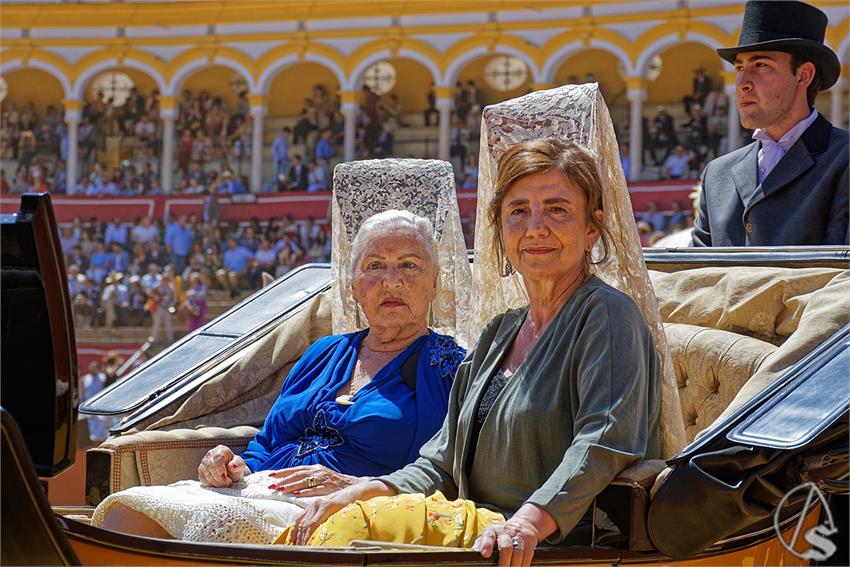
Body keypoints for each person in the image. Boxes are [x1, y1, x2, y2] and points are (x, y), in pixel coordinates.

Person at [283, 139, 663, 563]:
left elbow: (605, 441)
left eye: (557, 209)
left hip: (547, 542)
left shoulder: (607, 315)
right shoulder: (501, 331)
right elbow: (441, 460)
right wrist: (364, 490)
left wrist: (528, 522)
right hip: (475, 525)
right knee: (329, 518)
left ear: (592, 228)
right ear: (500, 229)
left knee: (348, 529)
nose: (535, 227)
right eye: (518, 211)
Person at [91, 210, 467, 544]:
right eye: (374, 266)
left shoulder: (447, 367)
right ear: (353, 287)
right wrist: (230, 464)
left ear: (434, 283)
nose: (391, 281)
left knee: (216, 524)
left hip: (345, 507)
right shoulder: (324, 353)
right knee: (126, 514)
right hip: (260, 490)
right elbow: (265, 444)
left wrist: (356, 488)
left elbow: (441, 470)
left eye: (408, 266)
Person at [692, 0, 849, 246]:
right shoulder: (717, 174)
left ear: (803, 75)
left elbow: (840, 276)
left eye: (761, 65)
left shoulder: (843, 159)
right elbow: (694, 276)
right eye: (739, 68)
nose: (742, 82)